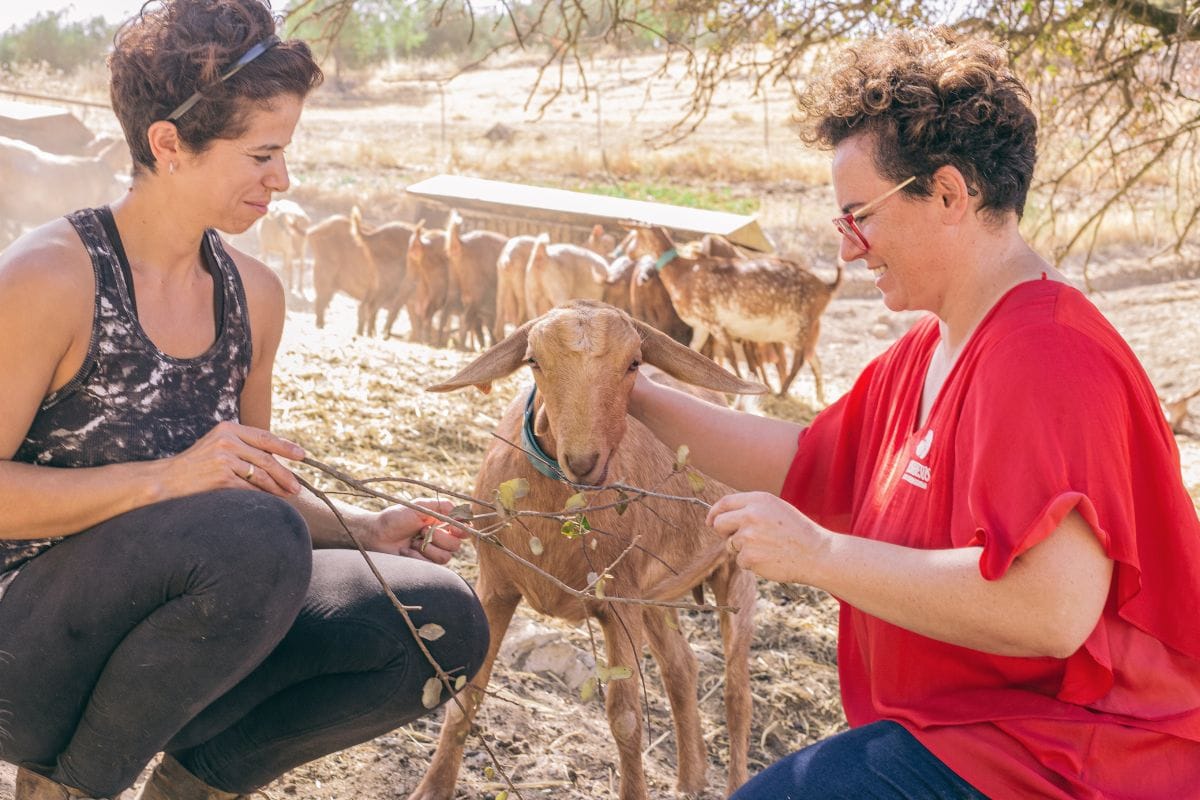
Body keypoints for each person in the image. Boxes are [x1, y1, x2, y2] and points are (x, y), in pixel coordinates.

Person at [628, 27, 1200, 800]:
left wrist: (821, 556)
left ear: (950, 194)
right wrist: (629, 394)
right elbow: (808, 462)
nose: (851, 250)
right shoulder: (934, 344)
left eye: (859, 216)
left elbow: (1054, 609)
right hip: (964, 736)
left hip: (1062, 757)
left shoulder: (1048, 357)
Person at [0, 2, 488, 798]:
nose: (283, 179)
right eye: (262, 153)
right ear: (168, 145)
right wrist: (168, 477)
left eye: (285, 152)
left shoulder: (253, 296)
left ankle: (194, 787)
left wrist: (366, 532)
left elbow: (246, 505)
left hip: (172, 653)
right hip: (24, 659)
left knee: (438, 624)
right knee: (252, 533)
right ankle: (68, 789)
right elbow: (218, 508)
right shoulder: (51, 278)